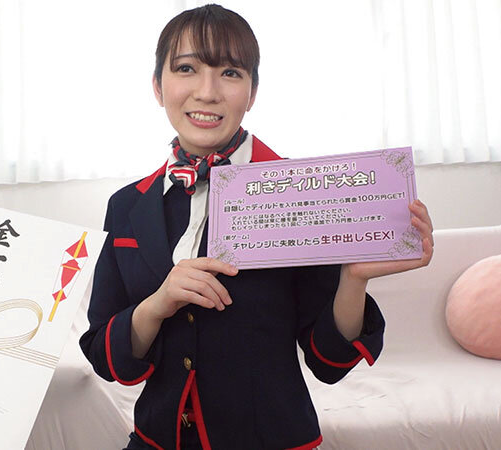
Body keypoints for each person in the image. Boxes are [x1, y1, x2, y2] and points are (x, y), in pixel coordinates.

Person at [79, 4, 434, 450]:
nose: (207, 92)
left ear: (252, 93)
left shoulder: (302, 194)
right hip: (158, 439)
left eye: (230, 73)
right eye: (186, 69)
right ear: (157, 85)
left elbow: (329, 361)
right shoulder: (126, 206)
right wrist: (157, 304)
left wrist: (353, 279)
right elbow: (105, 357)